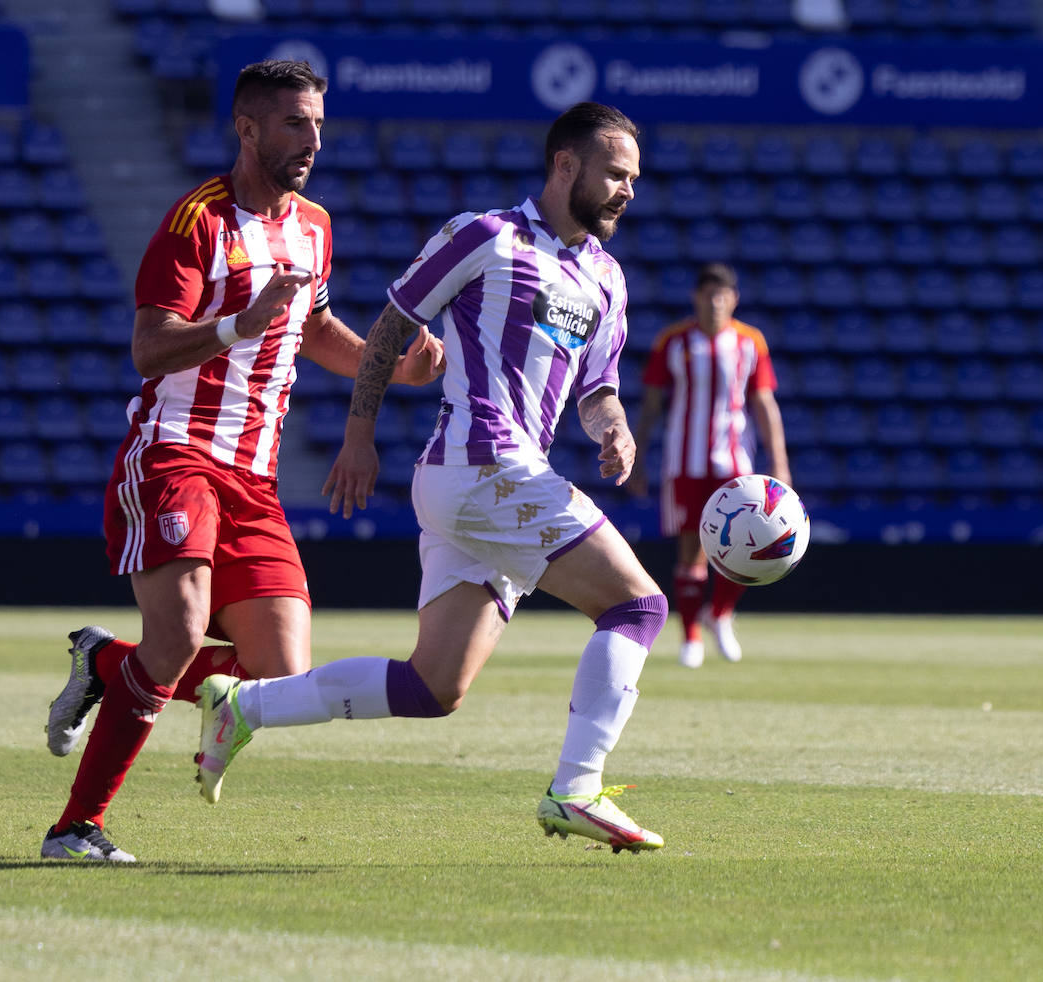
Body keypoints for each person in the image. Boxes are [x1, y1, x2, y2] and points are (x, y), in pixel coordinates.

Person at [191, 101, 670, 854]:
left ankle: (245, 707)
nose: (627, 191)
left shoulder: (606, 280)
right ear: (565, 166)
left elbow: (597, 389)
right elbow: (391, 325)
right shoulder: (484, 236)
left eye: (634, 179)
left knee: (432, 687)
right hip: (482, 466)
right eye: (615, 174)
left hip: (492, 482)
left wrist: (613, 428)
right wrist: (358, 434)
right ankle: (576, 787)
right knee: (638, 606)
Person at [38, 59, 443, 864]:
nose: (313, 141)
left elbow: (314, 329)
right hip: (177, 452)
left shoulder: (315, 226)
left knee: (281, 674)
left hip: (253, 478)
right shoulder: (196, 222)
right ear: (247, 128)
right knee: (182, 632)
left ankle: (107, 662)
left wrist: (390, 367)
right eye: (296, 124)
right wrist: (236, 324)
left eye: (319, 125)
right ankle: (75, 828)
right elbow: (149, 348)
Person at [628, 262, 789, 669]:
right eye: (708, 294)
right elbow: (651, 404)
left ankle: (718, 615)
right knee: (690, 548)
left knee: (750, 546)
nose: (716, 302)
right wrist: (639, 455)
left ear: (734, 299)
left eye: (723, 295)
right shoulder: (674, 341)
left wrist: (780, 464)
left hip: (735, 462)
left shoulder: (751, 342)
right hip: (685, 461)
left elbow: (764, 404)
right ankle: (691, 636)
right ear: (696, 297)